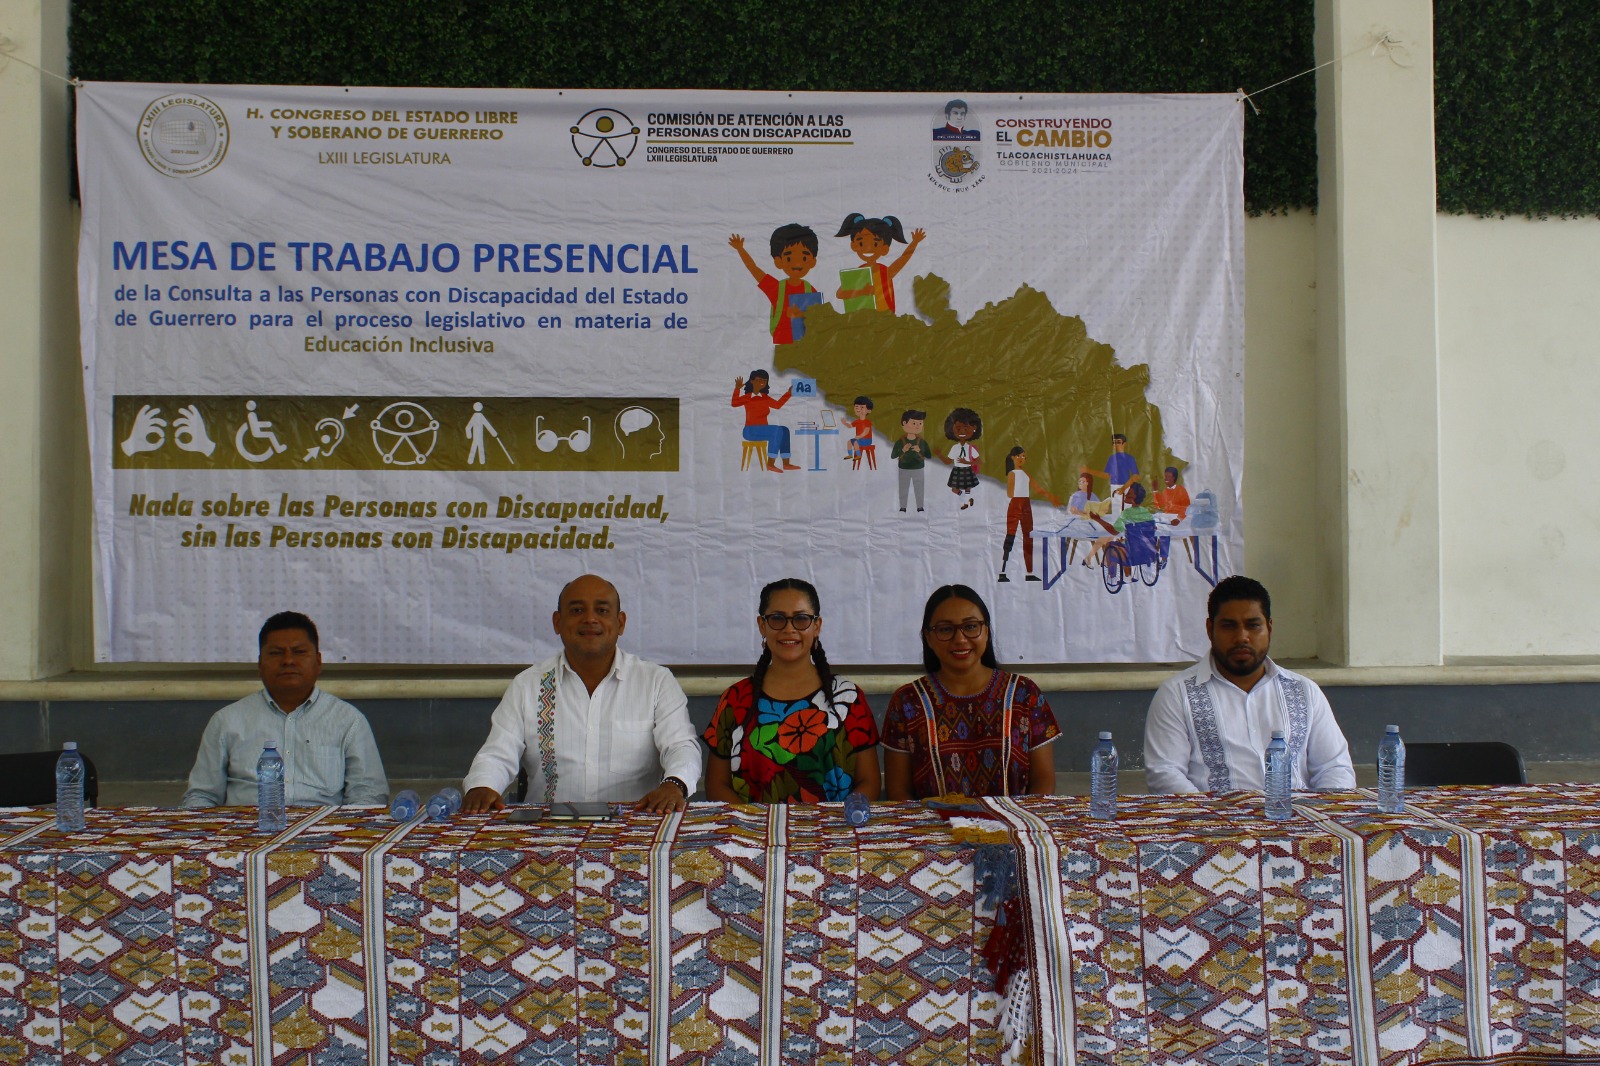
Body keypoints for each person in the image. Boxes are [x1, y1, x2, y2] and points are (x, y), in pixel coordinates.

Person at [462, 575, 701, 813]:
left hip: (635, 823)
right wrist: (482, 786)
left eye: (602, 610)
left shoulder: (656, 682)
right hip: (547, 827)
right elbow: (497, 754)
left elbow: (681, 746)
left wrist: (674, 784)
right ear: (557, 622)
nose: (590, 619)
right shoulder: (527, 685)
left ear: (620, 623)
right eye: (577, 610)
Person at [1144, 576, 1356, 794]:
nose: (1242, 637)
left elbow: (1334, 768)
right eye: (1229, 626)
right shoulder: (1177, 694)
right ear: (1210, 629)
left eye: (1253, 626)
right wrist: (1211, 812)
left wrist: (1317, 809)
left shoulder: (1304, 691)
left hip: (1294, 812)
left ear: (1269, 628)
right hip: (1213, 814)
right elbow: (1165, 772)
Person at [182, 612, 388, 808]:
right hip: (246, 829)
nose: (288, 660)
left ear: (318, 662)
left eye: (299, 652)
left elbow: (368, 794)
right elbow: (202, 796)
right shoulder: (226, 721)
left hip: (323, 829)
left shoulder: (349, 720)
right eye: (276, 653)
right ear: (260, 663)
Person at [703, 578, 881, 803]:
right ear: (762, 625)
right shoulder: (735, 699)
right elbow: (716, 785)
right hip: (754, 825)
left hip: (834, 825)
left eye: (801, 619)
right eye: (777, 618)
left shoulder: (848, 697)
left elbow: (870, 782)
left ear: (817, 626)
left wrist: (835, 820)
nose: (789, 629)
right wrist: (755, 822)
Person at [882, 585, 1060, 799]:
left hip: (1013, 819)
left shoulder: (1024, 694)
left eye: (971, 626)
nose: (960, 639)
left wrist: (1015, 818)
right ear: (928, 638)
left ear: (986, 631)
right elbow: (898, 791)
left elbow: (1043, 779)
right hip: (933, 820)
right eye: (945, 629)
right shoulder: (907, 701)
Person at [728, 224, 820, 346]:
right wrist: (740, 249)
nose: (797, 263)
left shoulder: (809, 289)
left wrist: (801, 315)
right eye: (789, 258)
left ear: (812, 261)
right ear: (778, 261)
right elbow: (754, 269)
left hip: (806, 343)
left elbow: (818, 316)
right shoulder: (778, 288)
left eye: (804, 258)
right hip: (783, 343)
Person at [834, 213, 926, 314]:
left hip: (884, 318)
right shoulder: (858, 272)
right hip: (863, 317)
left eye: (875, 244)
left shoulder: (884, 272)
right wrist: (862, 292)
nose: (868, 249)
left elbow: (902, 259)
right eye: (861, 243)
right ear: (853, 245)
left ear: (885, 249)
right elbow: (840, 294)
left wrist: (914, 242)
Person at [998, 446, 1061, 582]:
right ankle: (1003, 571)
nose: (1022, 458)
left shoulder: (1025, 473)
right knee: (1010, 536)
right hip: (1016, 505)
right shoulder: (1012, 473)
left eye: (1024, 456)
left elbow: (1037, 487)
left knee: (1029, 537)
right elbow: (1009, 493)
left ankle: (1029, 572)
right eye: (1019, 456)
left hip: (1026, 505)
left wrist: (1050, 496)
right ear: (1013, 457)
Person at [731, 369, 800, 472]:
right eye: (759, 380)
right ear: (752, 381)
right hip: (750, 430)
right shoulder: (747, 397)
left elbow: (777, 405)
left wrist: (788, 393)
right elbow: (734, 403)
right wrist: (737, 389)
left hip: (763, 430)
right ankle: (770, 464)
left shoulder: (765, 397)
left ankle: (786, 463)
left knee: (785, 430)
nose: (762, 383)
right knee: (777, 431)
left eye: (764, 381)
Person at [891, 408, 934, 512]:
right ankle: (903, 507)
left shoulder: (922, 442)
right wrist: (903, 450)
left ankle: (920, 506)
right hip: (903, 468)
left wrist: (920, 450)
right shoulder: (900, 441)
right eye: (914, 423)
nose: (917, 426)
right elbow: (893, 456)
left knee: (919, 488)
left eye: (920, 423)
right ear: (904, 423)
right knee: (903, 488)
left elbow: (929, 455)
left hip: (918, 468)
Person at [845, 395, 875, 463]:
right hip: (859, 439)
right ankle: (850, 455)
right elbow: (850, 426)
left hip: (867, 440)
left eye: (862, 407)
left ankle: (858, 455)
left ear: (869, 410)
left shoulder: (867, 422)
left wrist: (860, 436)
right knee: (849, 442)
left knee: (855, 442)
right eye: (856, 407)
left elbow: (866, 431)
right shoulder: (857, 421)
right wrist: (845, 423)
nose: (858, 409)